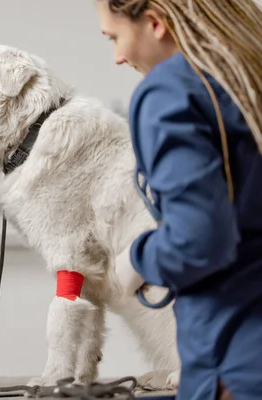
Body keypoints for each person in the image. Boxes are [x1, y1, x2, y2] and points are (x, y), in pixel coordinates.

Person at [95, 0, 262, 399]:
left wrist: (138, 260)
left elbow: (199, 238)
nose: (118, 57)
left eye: (115, 37)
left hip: (237, 355)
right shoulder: (248, 78)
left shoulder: (171, 89)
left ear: (154, 22)